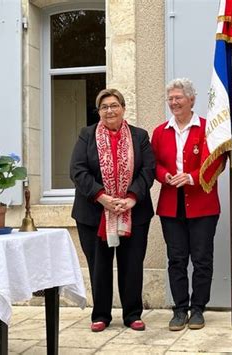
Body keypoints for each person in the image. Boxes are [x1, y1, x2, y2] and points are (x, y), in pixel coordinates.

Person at [70, 88, 155, 332]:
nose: (110, 110)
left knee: (132, 264)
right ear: (98, 112)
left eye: (114, 105)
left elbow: (148, 170)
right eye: (104, 106)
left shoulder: (140, 136)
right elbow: (77, 170)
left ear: (123, 108)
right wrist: (101, 196)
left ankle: (132, 314)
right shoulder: (86, 135)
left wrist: (131, 198)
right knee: (100, 266)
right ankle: (101, 316)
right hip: (94, 212)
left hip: (134, 211)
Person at [151, 78, 221, 331]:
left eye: (178, 97)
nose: (173, 102)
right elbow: (154, 164)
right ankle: (180, 309)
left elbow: (216, 162)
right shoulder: (161, 131)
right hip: (171, 205)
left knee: (202, 259)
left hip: (202, 203)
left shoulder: (207, 128)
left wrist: (191, 176)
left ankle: (199, 308)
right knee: (176, 259)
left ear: (191, 99)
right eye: (170, 98)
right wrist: (164, 175)